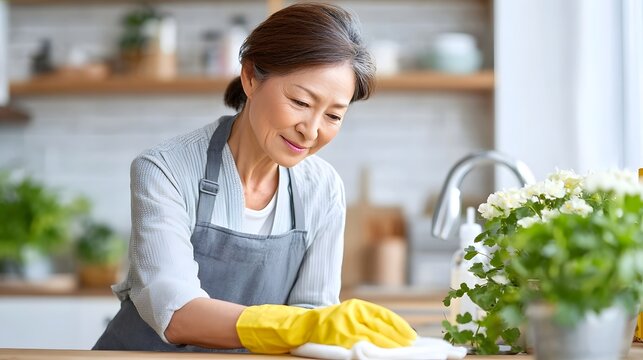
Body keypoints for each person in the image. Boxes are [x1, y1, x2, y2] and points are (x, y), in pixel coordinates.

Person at [93, 2, 416, 353]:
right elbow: (176, 313)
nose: (311, 131)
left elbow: (314, 317)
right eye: (300, 102)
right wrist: (300, 325)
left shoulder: (322, 190)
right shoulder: (164, 170)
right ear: (250, 77)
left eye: (334, 116)